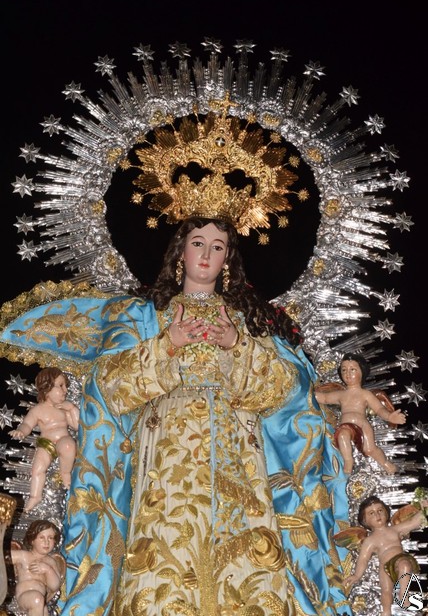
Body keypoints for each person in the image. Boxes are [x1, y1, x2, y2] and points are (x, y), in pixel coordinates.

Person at [0, 217, 353, 616]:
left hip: (239, 458)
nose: (206, 254)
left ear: (228, 259)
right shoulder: (145, 316)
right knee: (165, 557)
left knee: (246, 563)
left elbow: (286, 390)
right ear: (180, 253)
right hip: (165, 458)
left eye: (218, 247)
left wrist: (236, 346)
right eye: (198, 243)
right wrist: (167, 344)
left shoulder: (245, 322)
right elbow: (109, 385)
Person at [315, 352, 406, 474]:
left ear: (362, 372)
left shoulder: (365, 394)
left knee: (370, 449)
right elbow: (325, 398)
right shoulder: (341, 394)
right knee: (342, 435)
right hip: (346, 425)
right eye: (344, 370)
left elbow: (379, 409)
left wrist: (390, 416)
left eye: (352, 369)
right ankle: (348, 462)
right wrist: (307, 393)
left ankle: (386, 464)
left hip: (363, 425)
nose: (348, 373)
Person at [8, 367, 79, 512]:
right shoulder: (37, 410)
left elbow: (77, 426)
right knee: (37, 469)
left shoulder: (63, 408)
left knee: (68, 446)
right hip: (46, 443)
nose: (65, 390)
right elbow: (27, 424)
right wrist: (21, 432)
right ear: (47, 388)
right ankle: (35, 496)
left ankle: (65, 473)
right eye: (61, 386)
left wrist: (72, 408)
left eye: (65, 386)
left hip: (63, 439)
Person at [344, 495, 427, 616]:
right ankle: (386, 612)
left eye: (380, 510)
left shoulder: (394, 530)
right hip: (384, 567)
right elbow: (363, 559)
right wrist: (357, 575)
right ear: (365, 521)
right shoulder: (370, 540)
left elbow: (412, 523)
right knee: (386, 591)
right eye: (371, 513)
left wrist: (424, 508)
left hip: (399, 560)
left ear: (387, 513)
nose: (377, 515)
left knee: (405, 565)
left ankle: (404, 594)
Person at [10, 519, 64, 616]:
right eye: (41, 538)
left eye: (50, 538)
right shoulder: (24, 556)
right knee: (36, 599)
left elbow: (55, 586)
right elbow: (4, 557)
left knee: (44, 610)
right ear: (32, 540)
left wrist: (48, 570)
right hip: (25, 597)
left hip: (41, 601)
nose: (46, 542)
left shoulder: (51, 562)